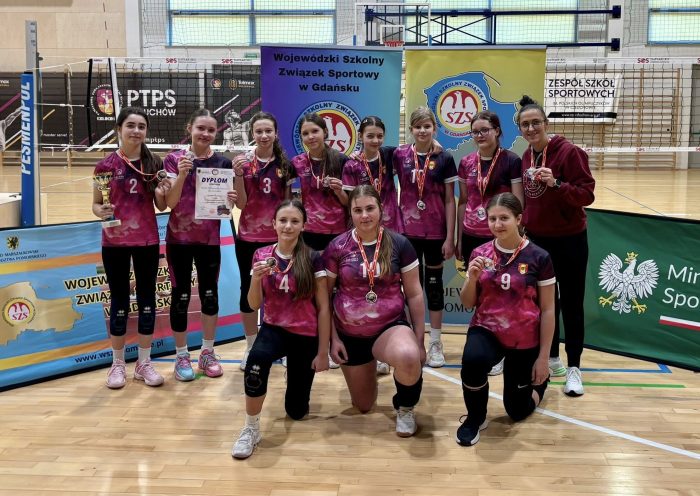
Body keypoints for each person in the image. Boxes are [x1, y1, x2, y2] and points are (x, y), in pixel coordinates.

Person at [231, 199, 330, 459]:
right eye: (283, 220)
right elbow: (254, 304)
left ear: (303, 225)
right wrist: (255, 279)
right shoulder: (261, 255)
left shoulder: (313, 258)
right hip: (273, 329)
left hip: (305, 334)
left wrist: (323, 352)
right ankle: (251, 428)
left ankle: (295, 374)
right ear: (273, 223)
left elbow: (323, 308)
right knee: (256, 362)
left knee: (296, 412)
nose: (288, 226)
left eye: (295, 221)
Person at [325, 185, 426, 437]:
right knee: (363, 405)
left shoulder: (400, 244)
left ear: (381, 209)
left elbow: (414, 294)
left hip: (389, 328)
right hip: (349, 333)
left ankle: (405, 407)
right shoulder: (337, 247)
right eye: (357, 210)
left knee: (409, 356)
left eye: (370, 208)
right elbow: (324, 297)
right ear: (350, 213)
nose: (364, 215)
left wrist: (420, 341)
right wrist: (332, 339)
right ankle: (369, 369)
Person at [457, 192, 555, 445]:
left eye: (504, 218)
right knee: (472, 361)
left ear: (519, 219)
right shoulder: (479, 253)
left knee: (517, 411)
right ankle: (475, 418)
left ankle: (540, 383)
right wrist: (472, 278)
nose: (497, 224)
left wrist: (543, 359)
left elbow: (548, 310)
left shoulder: (539, 257)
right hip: (487, 328)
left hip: (524, 337)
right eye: (492, 219)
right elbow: (467, 303)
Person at [517, 95, 595, 397]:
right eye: (525, 124)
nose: (531, 128)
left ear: (546, 124)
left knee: (572, 303)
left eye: (536, 122)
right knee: (545, 303)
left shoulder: (569, 152)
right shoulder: (526, 156)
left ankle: (574, 367)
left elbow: (587, 195)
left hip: (570, 239)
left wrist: (557, 184)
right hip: (538, 241)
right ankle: (552, 358)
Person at [163, 108, 244, 381]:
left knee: (210, 295)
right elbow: (170, 203)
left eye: (211, 130)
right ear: (190, 128)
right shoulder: (173, 160)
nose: (206, 134)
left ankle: (207, 352)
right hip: (179, 240)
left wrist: (230, 199)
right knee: (181, 297)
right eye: (201, 128)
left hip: (209, 241)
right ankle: (181, 355)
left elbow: (231, 207)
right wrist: (182, 174)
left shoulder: (222, 163)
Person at [93, 106, 169, 389]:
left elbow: (161, 205)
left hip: (147, 241)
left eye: (141, 126)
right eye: (131, 125)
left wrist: (162, 191)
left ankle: (144, 363)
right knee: (120, 301)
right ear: (119, 129)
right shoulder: (105, 166)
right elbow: (96, 204)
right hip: (114, 242)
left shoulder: (154, 163)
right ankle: (117, 363)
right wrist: (100, 211)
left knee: (148, 299)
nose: (136, 131)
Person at [456, 111, 524, 376]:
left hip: (499, 236)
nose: (480, 135)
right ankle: (483, 343)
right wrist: (459, 237)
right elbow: (464, 200)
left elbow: (517, 202)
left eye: (485, 130)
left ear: (497, 130)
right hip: (472, 235)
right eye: (475, 131)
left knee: (502, 291)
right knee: (478, 290)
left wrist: (518, 235)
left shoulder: (511, 161)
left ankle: (503, 349)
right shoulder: (466, 162)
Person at [393, 106, 458, 368]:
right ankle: (411, 338)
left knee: (433, 286)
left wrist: (450, 237)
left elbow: (450, 200)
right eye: (418, 126)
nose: (422, 131)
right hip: (407, 234)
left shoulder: (445, 158)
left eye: (427, 126)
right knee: (410, 289)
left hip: (435, 233)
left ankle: (436, 342)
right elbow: (372, 157)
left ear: (434, 129)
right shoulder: (399, 155)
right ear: (411, 129)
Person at [232, 111, 293, 371]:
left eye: (268, 131)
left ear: (276, 134)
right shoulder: (244, 164)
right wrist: (238, 175)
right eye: (259, 131)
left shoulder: (285, 165)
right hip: (248, 238)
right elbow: (241, 204)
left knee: (281, 290)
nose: (264, 135)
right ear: (252, 134)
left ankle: (283, 345)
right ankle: (250, 346)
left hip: (278, 240)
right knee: (248, 289)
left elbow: (289, 205)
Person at [342, 115, 401, 375]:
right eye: (370, 136)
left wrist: (435, 145)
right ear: (361, 137)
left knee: (388, 286)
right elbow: (349, 202)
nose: (375, 140)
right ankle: (368, 350)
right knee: (367, 284)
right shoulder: (352, 165)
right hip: (365, 232)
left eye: (379, 136)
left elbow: (417, 150)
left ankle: (386, 348)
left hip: (390, 230)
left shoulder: (390, 156)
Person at [290, 112, 350, 252]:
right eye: (305, 133)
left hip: (337, 230)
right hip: (308, 230)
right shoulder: (297, 162)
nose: (311, 136)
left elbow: (349, 202)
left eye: (315, 131)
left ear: (325, 132)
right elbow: (286, 193)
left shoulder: (341, 160)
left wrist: (339, 191)